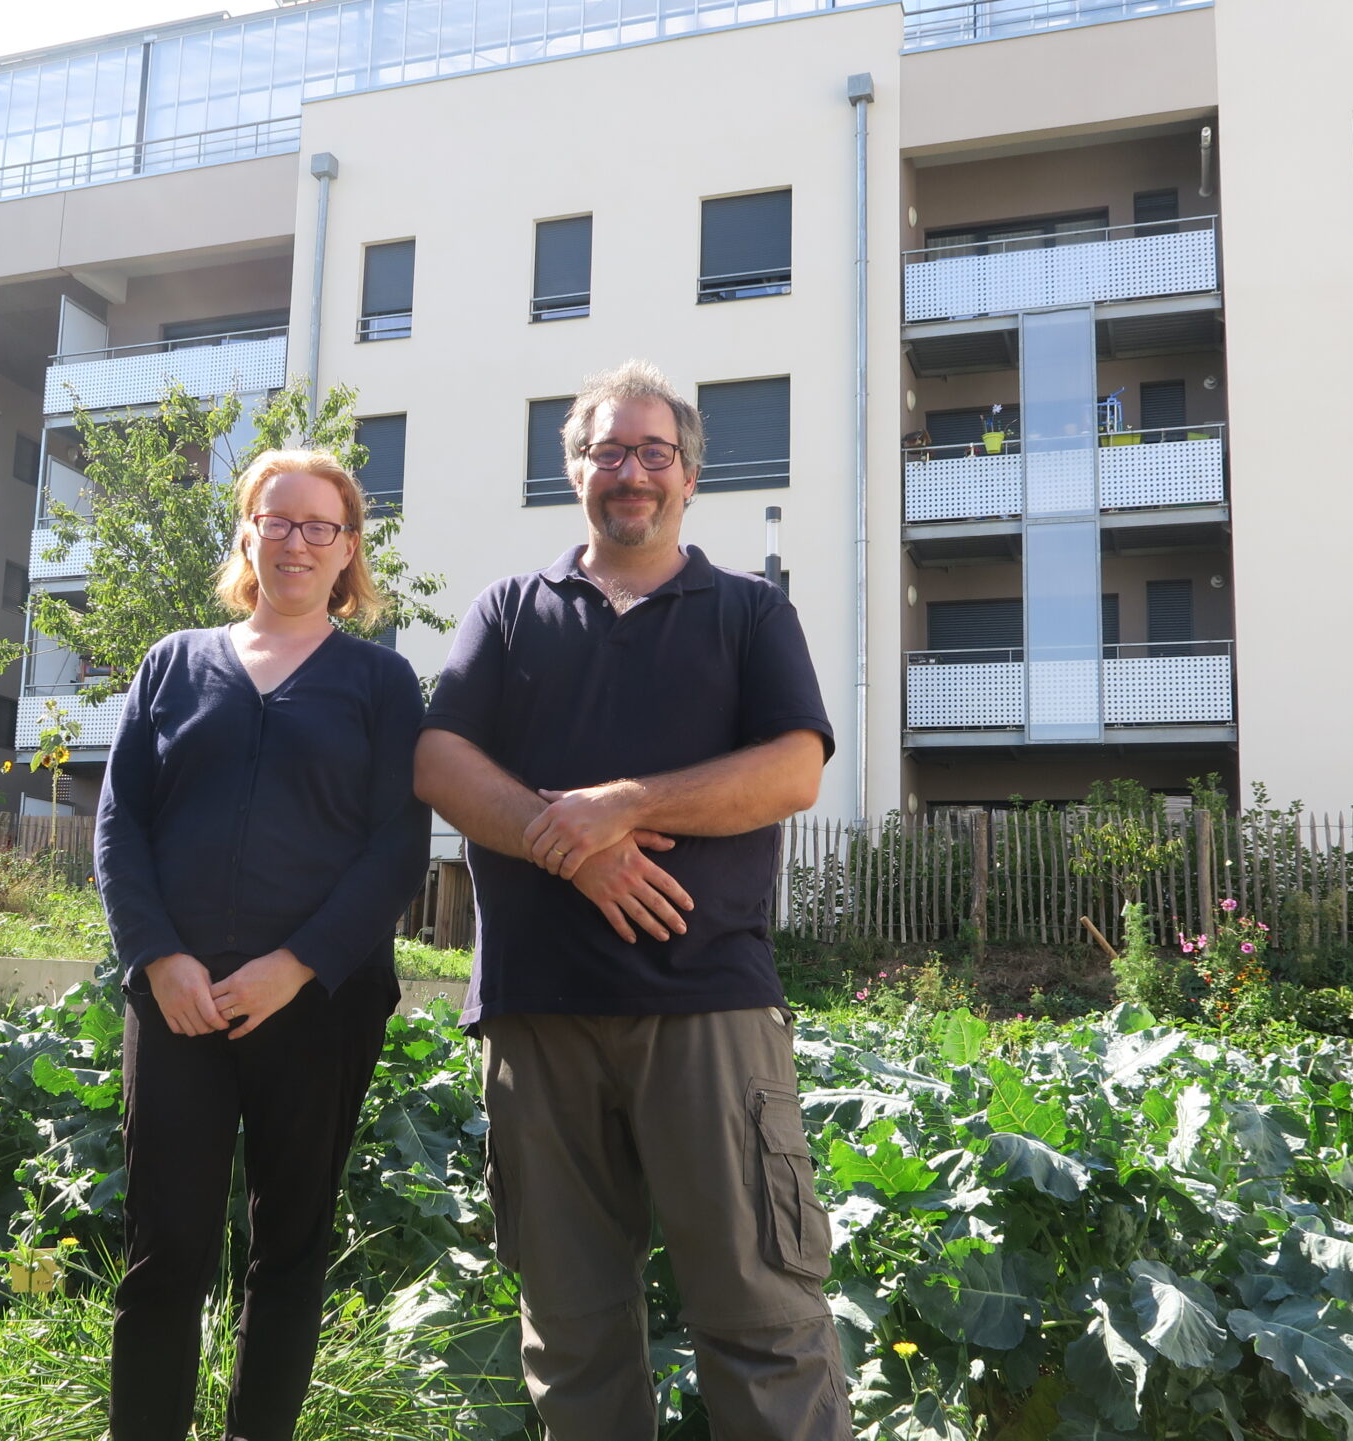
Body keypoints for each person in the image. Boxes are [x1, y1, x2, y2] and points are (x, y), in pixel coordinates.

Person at [414, 360, 850, 1441]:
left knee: (762, 1317)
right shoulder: (509, 611)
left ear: (689, 475)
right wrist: (576, 851)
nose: (632, 473)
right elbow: (437, 761)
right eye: (608, 451)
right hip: (537, 1013)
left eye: (654, 452)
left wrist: (625, 802)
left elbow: (793, 769)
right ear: (575, 470)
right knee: (571, 1332)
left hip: (707, 1011)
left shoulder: (748, 611)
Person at [95, 448, 428, 1441]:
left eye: (317, 526)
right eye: (275, 521)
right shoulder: (173, 662)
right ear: (246, 532)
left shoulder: (381, 681)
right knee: (167, 1247)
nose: (294, 541)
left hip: (319, 1007)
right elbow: (120, 825)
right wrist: (160, 960)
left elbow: (395, 849)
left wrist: (295, 966)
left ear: (346, 549)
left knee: (287, 1250)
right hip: (178, 1002)